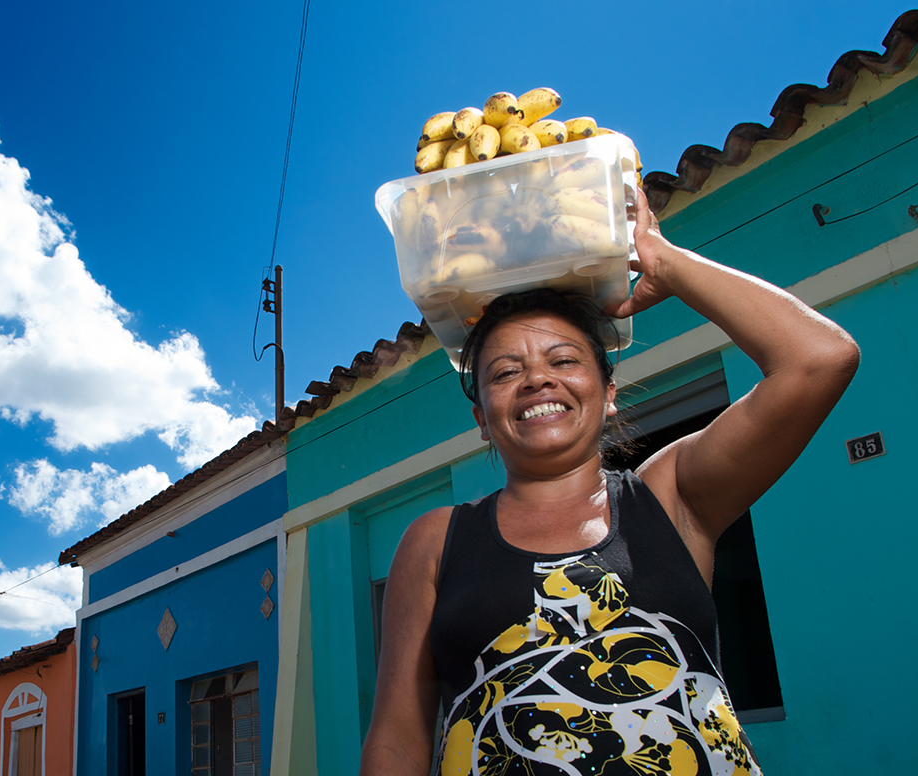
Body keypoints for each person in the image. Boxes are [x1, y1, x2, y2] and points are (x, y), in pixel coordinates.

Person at [359, 192, 860, 776]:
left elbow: (820, 359)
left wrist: (668, 263)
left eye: (564, 360)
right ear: (481, 421)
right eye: (505, 372)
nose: (537, 380)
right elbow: (398, 737)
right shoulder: (435, 542)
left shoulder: (670, 499)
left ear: (608, 390)